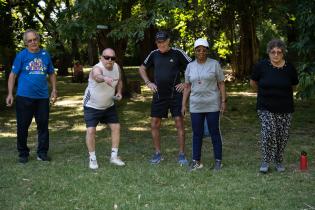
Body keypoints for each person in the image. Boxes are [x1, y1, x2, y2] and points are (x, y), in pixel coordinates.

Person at [139, 31, 192, 165]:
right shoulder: (154, 54)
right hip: (159, 95)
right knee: (154, 124)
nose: (161, 44)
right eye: (158, 42)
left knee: (179, 123)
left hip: (176, 95)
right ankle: (157, 154)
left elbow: (193, 67)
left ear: (168, 41)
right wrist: (148, 82)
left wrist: (186, 83)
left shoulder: (178, 53)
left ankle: (181, 154)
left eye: (163, 41)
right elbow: (142, 68)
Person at [6, 29, 57, 163]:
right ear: (26, 43)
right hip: (24, 97)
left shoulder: (45, 54)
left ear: (38, 40)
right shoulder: (21, 56)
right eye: (30, 40)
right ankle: (23, 153)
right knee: (22, 126)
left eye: (35, 39)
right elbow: (13, 75)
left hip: (42, 98)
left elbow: (51, 73)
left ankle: (42, 153)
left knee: (43, 126)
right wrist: (10, 93)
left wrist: (54, 90)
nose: (33, 42)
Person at [250, 39, 299, 173]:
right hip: (265, 106)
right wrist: (262, 93)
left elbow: (294, 86)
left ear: (283, 53)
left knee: (282, 136)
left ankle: (278, 161)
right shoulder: (261, 66)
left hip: (285, 108)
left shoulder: (290, 68)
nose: (276, 55)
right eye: (273, 52)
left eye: (279, 52)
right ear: (268, 53)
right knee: (269, 132)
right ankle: (266, 161)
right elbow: (253, 82)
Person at [182, 38, 226, 171]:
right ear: (194, 51)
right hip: (195, 105)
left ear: (207, 51)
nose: (201, 52)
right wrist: (183, 104)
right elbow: (187, 86)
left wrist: (223, 101)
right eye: (198, 49)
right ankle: (196, 161)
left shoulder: (214, 64)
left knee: (214, 133)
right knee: (197, 133)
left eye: (203, 50)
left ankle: (218, 161)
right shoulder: (190, 66)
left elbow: (221, 83)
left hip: (212, 104)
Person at [83, 48, 125, 170]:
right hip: (92, 105)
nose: (110, 60)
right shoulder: (97, 68)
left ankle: (114, 157)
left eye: (112, 58)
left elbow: (119, 81)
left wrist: (119, 92)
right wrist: (104, 78)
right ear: (101, 58)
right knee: (91, 131)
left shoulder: (116, 67)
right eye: (106, 57)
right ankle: (92, 159)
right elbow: (97, 76)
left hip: (108, 104)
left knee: (116, 127)